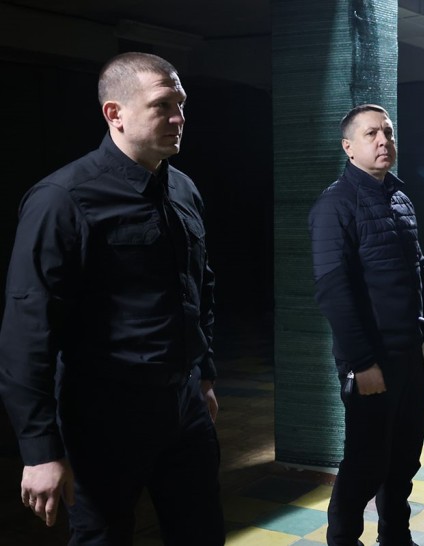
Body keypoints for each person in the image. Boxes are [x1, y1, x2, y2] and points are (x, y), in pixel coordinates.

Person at [0, 52, 225, 544]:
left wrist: (204, 376)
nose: (178, 118)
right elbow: (28, 330)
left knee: (202, 533)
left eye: (181, 105)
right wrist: (40, 450)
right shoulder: (62, 199)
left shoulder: (183, 189)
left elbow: (199, 288)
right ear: (114, 113)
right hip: (104, 416)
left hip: (184, 407)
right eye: (162, 106)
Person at [308, 104, 424, 546]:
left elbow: (419, 269)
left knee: (404, 458)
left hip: (408, 355)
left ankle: (395, 537)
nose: (383, 140)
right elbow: (333, 292)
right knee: (366, 463)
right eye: (371, 134)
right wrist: (362, 363)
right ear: (349, 148)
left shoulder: (400, 197)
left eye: (387, 131)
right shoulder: (335, 205)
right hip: (371, 361)